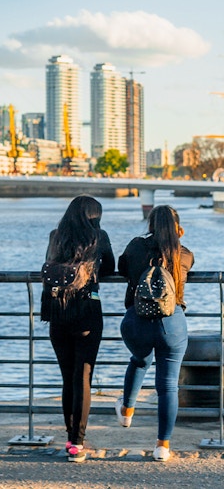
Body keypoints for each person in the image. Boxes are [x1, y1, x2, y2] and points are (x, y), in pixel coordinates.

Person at [116, 205, 194, 462]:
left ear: (150, 225)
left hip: (136, 321)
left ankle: (127, 410)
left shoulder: (137, 246)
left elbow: (122, 267)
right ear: (177, 228)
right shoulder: (184, 254)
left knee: (139, 360)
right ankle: (162, 446)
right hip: (172, 323)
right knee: (168, 386)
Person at [43, 195, 115, 463]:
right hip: (87, 311)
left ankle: (69, 438)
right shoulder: (99, 236)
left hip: (57, 311)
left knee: (67, 376)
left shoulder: (55, 235)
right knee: (82, 376)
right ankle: (78, 442)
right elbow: (109, 267)